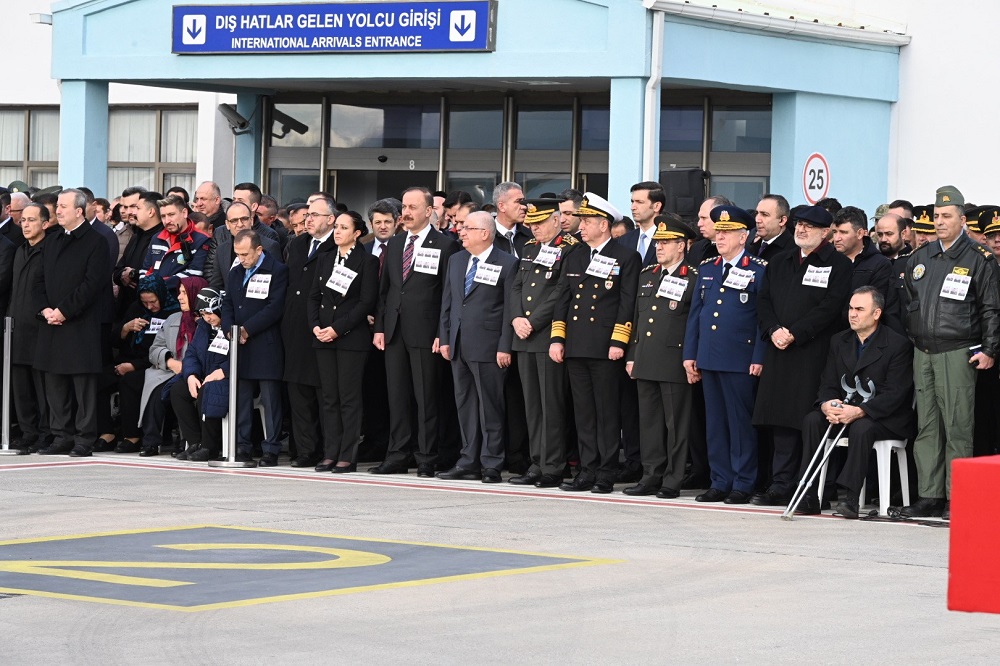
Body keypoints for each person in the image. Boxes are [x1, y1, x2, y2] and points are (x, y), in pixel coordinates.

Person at [901, 186, 1000, 520]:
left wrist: (989, 350)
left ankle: (957, 497)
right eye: (937, 217)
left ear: (962, 219)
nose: (940, 223)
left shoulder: (978, 258)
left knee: (958, 426)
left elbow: (991, 309)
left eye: (947, 216)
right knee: (927, 425)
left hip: (958, 351)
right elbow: (908, 305)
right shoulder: (920, 258)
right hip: (923, 352)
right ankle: (929, 494)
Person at [752, 205, 853, 505]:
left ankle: (810, 485)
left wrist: (795, 332)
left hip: (813, 352)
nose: (801, 230)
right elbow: (764, 301)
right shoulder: (780, 261)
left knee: (808, 421)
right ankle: (781, 484)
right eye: (799, 224)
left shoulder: (838, 265)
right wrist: (773, 330)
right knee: (781, 421)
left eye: (809, 226)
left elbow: (831, 307)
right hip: (779, 351)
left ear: (826, 232)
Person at [794, 286, 916, 517]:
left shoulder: (897, 344)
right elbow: (828, 381)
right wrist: (826, 404)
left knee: (862, 426)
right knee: (812, 420)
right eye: (851, 308)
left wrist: (860, 411)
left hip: (885, 417)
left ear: (877, 314)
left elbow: (896, 393)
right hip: (847, 410)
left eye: (860, 309)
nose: (852, 314)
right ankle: (807, 494)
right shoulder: (839, 341)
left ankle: (851, 498)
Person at [549, 193, 640, 493]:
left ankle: (606, 472)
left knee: (606, 412)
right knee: (584, 412)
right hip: (576, 345)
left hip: (605, 347)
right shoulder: (573, 255)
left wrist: (619, 341)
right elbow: (563, 298)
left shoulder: (626, 256)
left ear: (604, 224)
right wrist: (558, 338)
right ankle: (586, 470)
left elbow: (627, 304)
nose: (581, 226)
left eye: (587, 221)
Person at [371, 187, 460, 476]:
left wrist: (441, 332)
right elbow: (385, 291)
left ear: (428, 211)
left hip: (426, 332)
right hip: (394, 331)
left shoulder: (445, 246)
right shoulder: (395, 244)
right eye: (404, 207)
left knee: (426, 399)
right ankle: (397, 455)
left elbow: (448, 294)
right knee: (397, 398)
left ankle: (426, 457)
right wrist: (381, 328)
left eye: (412, 207)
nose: (405, 213)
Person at [683, 206, 768, 503]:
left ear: (743, 236)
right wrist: (690, 354)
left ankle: (743, 482)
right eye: (718, 232)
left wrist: (758, 356)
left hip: (739, 358)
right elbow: (697, 315)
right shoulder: (707, 268)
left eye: (727, 233)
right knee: (715, 423)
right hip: (709, 356)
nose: (720, 237)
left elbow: (762, 319)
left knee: (739, 423)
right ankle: (720, 480)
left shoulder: (757, 269)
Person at [506, 199, 584, 487]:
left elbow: (561, 292)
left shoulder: (570, 249)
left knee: (552, 405)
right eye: (531, 224)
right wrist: (516, 318)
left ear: (555, 220)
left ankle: (554, 465)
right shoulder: (529, 249)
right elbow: (516, 286)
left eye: (539, 223)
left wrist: (533, 321)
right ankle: (537, 462)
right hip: (524, 336)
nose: (534, 228)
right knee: (532, 405)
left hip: (546, 334)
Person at [436, 210, 518, 482]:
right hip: (459, 344)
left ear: (485, 233)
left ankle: (492, 462)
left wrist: (505, 346)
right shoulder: (457, 260)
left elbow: (510, 309)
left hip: (489, 345)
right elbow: (448, 303)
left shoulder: (507, 263)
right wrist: (445, 338)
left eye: (468, 228)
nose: (461, 231)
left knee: (490, 406)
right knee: (465, 405)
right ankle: (468, 459)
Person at [624, 216, 699, 497]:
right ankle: (650, 475)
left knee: (676, 425)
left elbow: (693, 322)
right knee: (650, 423)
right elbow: (637, 319)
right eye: (658, 242)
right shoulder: (649, 274)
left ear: (681, 246)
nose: (660, 247)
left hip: (673, 359)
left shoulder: (692, 276)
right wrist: (632, 354)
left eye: (666, 243)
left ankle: (672, 478)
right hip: (645, 357)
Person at [35, 189, 112, 457]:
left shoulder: (96, 241)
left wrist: (64, 311)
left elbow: (92, 285)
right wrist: (46, 309)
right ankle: (61, 436)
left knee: (83, 385)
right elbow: (40, 279)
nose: (58, 210)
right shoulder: (53, 239)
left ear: (79, 211)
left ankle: (84, 439)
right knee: (55, 383)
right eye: (57, 205)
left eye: (63, 206)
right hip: (52, 322)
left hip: (79, 323)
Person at [308, 210, 379, 473]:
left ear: (357, 233)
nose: (337, 231)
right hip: (323, 337)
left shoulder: (367, 261)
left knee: (349, 397)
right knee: (329, 398)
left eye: (344, 228)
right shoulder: (325, 258)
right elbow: (313, 297)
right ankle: (330, 452)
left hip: (351, 338)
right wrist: (315, 326)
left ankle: (347, 455)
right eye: (336, 226)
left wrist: (336, 329)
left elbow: (365, 302)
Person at [221, 230, 288, 466]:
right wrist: (229, 329)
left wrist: (247, 329)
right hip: (239, 344)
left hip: (265, 343)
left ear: (259, 250)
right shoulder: (236, 271)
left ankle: (271, 448)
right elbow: (227, 303)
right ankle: (242, 446)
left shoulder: (277, 270)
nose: (241, 259)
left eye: (245, 254)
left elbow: (275, 307)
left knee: (270, 400)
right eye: (238, 254)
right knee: (241, 399)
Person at [281, 195, 336, 468]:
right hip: (294, 326)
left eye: (315, 214)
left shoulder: (336, 247)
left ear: (331, 219)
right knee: (298, 393)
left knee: (323, 394)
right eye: (307, 215)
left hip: (322, 328)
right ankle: (306, 449)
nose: (308, 219)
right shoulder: (297, 244)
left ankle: (329, 449)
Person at [114, 275, 180, 455]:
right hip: (130, 360)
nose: (150, 306)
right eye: (145, 302)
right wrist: (126, 328)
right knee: (99, 379)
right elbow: (114, 340)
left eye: (153, 301)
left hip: (158, 364)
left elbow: (166, 348)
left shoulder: (172, 313)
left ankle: (133, 436)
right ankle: (107, 433)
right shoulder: (136, 309)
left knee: (133, 381)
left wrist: (134, 365)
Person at [143, 277, 207, 461]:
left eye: (184, 293)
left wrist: (188, 369)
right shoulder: (173, 319)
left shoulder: (208, 320)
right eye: (179, 292)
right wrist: (170, 361)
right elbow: (154, 349)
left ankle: (186, 440)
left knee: (179, 390)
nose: (179, 297)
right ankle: (150, 442)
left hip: (196, 372)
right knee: (155, 392)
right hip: (170, 369)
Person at [9, 203, 53, 452]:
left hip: (39, 329)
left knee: (41, 386)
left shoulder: (50, 251)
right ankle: (28, 432)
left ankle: (45, 432)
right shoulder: (20, 250)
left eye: (31, 220)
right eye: (23, 220)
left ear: (45, 224)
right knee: (21, 386)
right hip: (16, 327)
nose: (25, 225)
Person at [172, 287, 229, 462]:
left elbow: (244, 354)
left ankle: (209, 446)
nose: (208, 318)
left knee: (208, 391)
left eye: (211, 313)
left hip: (227, 377)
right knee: (178, 390)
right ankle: (195, 442)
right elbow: (192, 354)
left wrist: (224, 371)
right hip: (204, 375)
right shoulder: (204, 327)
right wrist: (191, 375)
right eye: (204, 314)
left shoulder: (231, 325)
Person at [141, 194, 211, 292]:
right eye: (163, 216)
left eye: (171, 215)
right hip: (152, 298)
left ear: (184, 213)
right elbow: (145, 269)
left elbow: (194, 273)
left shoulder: (201, 239)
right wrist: (144, 289)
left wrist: (158, 285)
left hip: (180, 299)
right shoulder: (156, 238)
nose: (167, 221)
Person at [208, 202, 281, 291]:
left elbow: (277, 285)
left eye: (244, 219)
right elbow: (216, 285)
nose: (239, 224)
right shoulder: (222, 249)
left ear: (251, 220)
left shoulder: (270, 246)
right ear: (227, 224)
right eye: (234, 220)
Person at [621, 182, 665, 267]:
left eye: (639, 202)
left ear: (656, 206)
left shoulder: (669, 239)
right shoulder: (625, 240)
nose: (633, 207)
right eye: (632, 202)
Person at [688, 195, 732, 265]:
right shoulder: (696, 248)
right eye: (699, 218)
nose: (699, 224)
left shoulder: (737, 247)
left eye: (704, 218)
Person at [748, 194, 793, 261]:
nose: (757, 219)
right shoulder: (750, 244)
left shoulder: (793, 251)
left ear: (782, 221)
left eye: (764, 215)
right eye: (756, 213)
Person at [492, 182, 530, 258]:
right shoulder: (485, 236)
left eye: (523, 201)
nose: (524, 207)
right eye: (518, 201)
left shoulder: (530, 236)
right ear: (501, 206)